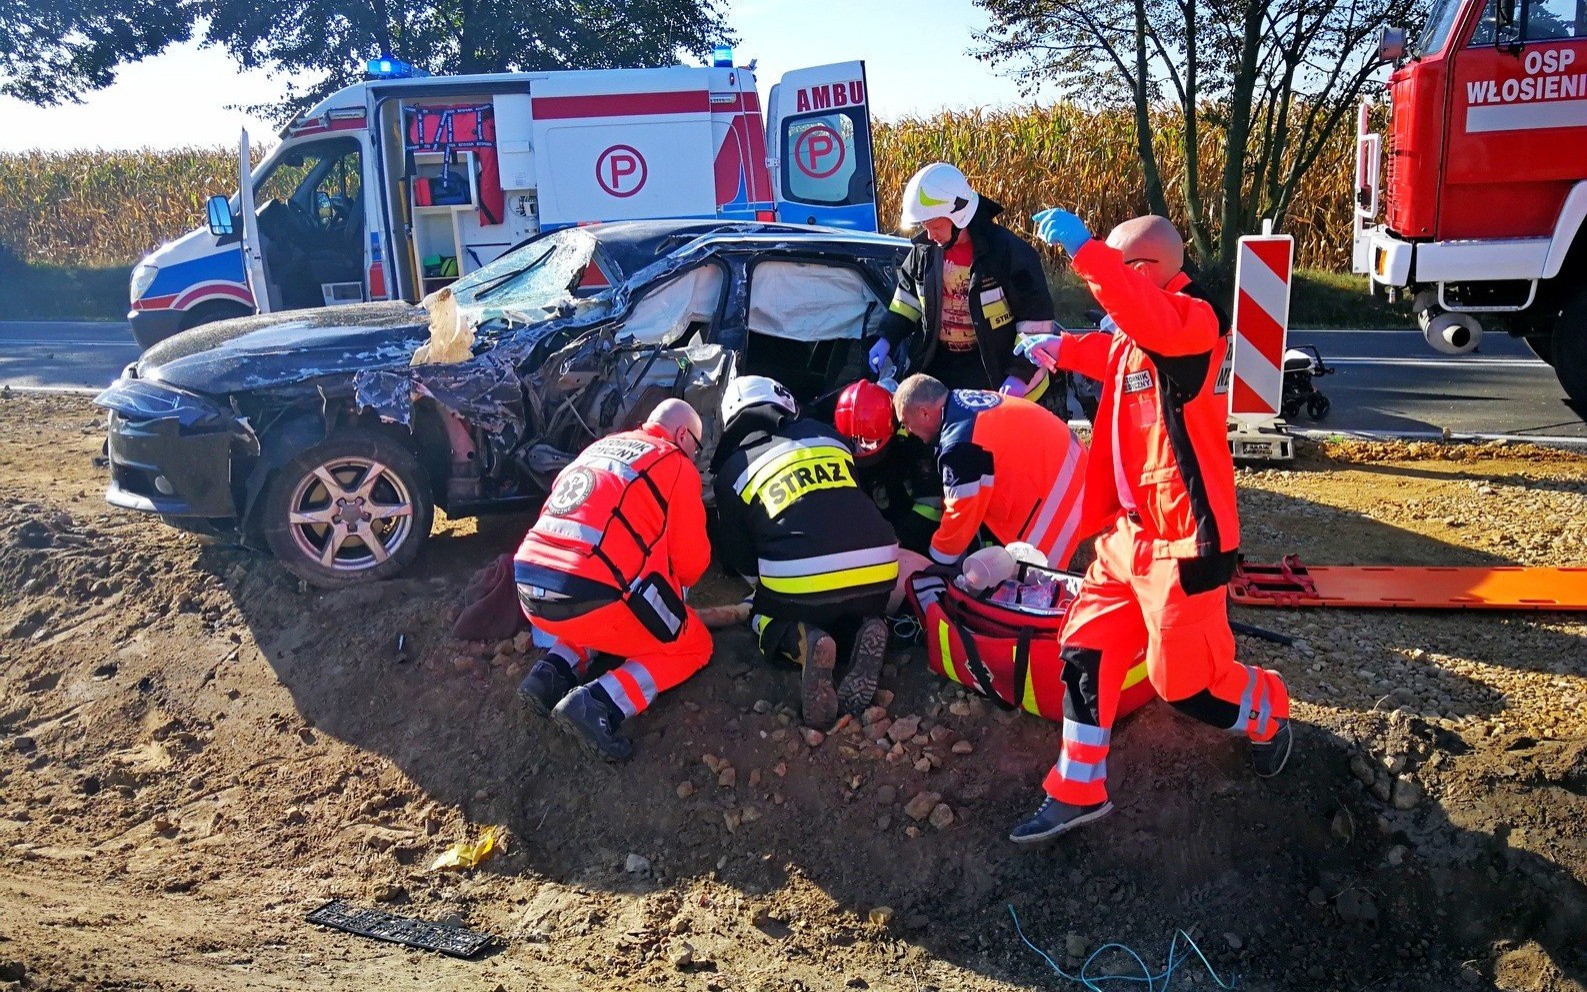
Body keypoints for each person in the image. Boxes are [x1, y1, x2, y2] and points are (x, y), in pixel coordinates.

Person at [1007, 211, 1294, 844]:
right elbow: (1112, 350)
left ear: (1138, 274)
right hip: (1126, 539)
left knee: (1184, 687)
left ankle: (1270, 710)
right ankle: (1077, 789)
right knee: (1085, 648)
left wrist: (1085, 252)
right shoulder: (1138, 338)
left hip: (1184, 540)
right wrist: (1057, 348)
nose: (1100, 285)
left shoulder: (1192, 323)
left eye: (1113, 268)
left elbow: (1144, 322)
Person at [513, 399, 713, 762]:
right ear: (683, 435)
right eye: (696, 447)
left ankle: (549, 674)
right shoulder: (675, 463)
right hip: (590, 593)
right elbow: (690, 566)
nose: (695, 456)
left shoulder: (601, 447)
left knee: (601, 600)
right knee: (693, 641)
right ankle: (599, 703)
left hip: (530, 586)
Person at [710, 375, 899, 728]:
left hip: (801, 576)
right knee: (846, 598)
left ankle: (804, 642)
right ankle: (866, 625)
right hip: (881, 566)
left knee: (763, 612)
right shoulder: (828, 435)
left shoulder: (731, 471)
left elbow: (740, 559)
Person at [866, 163, 1056, 400]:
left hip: (993, 369)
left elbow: (1035, 323)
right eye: (925, 227)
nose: (929, 235)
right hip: (942, 365)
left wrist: (1018, 375)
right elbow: (906, 304)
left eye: (935, 226)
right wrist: (886, 337)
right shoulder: (925, 253)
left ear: (959, 216)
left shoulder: (1008, 253)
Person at [890, 374, 1087, 572]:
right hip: (1075, 464)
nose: (907, 431)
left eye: (906, 422)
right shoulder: (965, 402)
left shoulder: (959, 444)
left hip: (1062, 501)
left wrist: (933, 563)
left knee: (1037, 583)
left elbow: (959, 518)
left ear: (924, 413)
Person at [832, 379, 943, 557]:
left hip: (910, 542)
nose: (859, 449)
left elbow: (932, 505)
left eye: (868, 443)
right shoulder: (836, 445)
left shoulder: (913, 442)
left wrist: (897, 539)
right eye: (852, 443)